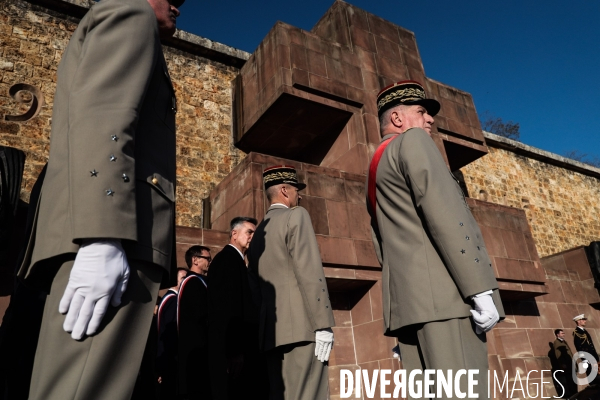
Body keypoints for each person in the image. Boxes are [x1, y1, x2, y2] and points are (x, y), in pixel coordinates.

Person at [17, 0, 183, 398]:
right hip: (115, 238)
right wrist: (101, 238)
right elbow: (104, 118)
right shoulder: (132, 12)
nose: (180, 5)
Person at [366, 80, 504, 397]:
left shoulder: (376, 164)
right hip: (446, 302)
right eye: (421, 111)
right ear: (398, 119)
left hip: (411, 308)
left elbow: (381, 243)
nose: (430, 120)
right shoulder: (413, 142)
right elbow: (445, 215)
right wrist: (479, 287)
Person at [248, 165, 336, 400]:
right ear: (285, 191)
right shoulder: (296, 215)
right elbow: (309, 271)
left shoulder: (257, 235)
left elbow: (254, 289)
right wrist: (323, 323)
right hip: (302, 329)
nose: (300, 195)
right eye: (297, 190)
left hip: (272, 334)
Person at [208, 217, 269, 399]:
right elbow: (226, 309)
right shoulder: (227, 260)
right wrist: (234, 351)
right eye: (249, 232)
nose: (252, 237)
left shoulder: (238, 261)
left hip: (242, 350)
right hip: (234, 352)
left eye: (254, 233)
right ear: (234, 234)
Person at [177, 246, 212, 399]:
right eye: (207, 259)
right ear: (195, 260)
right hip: (196, 350)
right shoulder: (193, 282)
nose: (209, 262)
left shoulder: (198, 282)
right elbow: (202, 314)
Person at [156, 267, 188, 400]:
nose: (186, 282)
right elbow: (171, 332)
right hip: (170, 359)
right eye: (183, 279)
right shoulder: (173, 300)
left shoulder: (167, 298)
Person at [572, 314, 599, 383]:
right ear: (578, 321)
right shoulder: (577, 332)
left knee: (597, 374)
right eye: (583, 320)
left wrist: (596, 357)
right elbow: (578, 347)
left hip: (593, 355)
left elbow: (591, 345)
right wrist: (584, 359)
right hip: (587, 357)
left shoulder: (584, 331)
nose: (585, 321)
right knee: (592, 375)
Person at [552, 329, 577, 398]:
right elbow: (558, 355)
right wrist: (563, 365)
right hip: (567, 366)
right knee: (570, 381)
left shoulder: (563, 342)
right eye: (562, 333)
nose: (564, 334)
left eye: (564, 333)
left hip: (570, 364)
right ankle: (573, 395)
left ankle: (575, 393)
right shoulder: (557, 342)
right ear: (558, 335)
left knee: (573, 380)